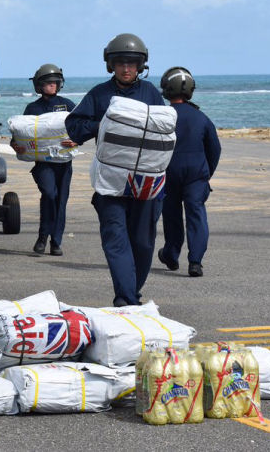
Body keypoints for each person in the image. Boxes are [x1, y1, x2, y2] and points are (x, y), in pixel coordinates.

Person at [64, 33, 165, 306]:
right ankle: (125, 299)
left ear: (141, 65)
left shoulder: (152, 94)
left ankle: (132, 292)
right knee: (116, 241)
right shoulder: (99, 94)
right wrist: (104, 124)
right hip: (110, 183)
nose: (126, 68)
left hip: (145, 183)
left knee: (143, 245)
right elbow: (74, 126)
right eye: (120, 62)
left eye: (132, 63)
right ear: (111, 65)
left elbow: (166, 131)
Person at [156, 67, 221, 278]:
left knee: (172, 215)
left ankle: (171, 254)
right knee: (196, 215)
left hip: (168, 173)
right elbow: (215, 148)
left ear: (166, 89)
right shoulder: (201, 117)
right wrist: (206, 173)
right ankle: (195, 262)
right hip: (196, 175)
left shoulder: (162, 116)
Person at [17, 64, 77, 256]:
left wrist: (75, 140)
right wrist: (16, 145)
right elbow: (21, 134)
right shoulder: (32, 108)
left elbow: (81, 127)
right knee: (49, 194)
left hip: (64, 163)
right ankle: (43, 236)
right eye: (49, 82)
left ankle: (55, 242)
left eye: (56, 82)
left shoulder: (68, 105)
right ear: (39, 85)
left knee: (60, 201)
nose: (53, 85)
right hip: (43, 164)